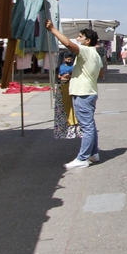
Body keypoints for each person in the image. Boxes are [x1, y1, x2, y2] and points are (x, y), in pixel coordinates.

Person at [45, 20, 103, 169]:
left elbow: (69, 45)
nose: (77, 38)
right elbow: (100, 73)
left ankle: (82, 158)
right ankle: (93, 153)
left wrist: (53, 29)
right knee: (90, 124)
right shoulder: (95, 54)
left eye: (80, 36)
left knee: (87, 126)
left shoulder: (86, 50)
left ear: (87, 41)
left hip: (83, 93)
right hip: (89, 91)